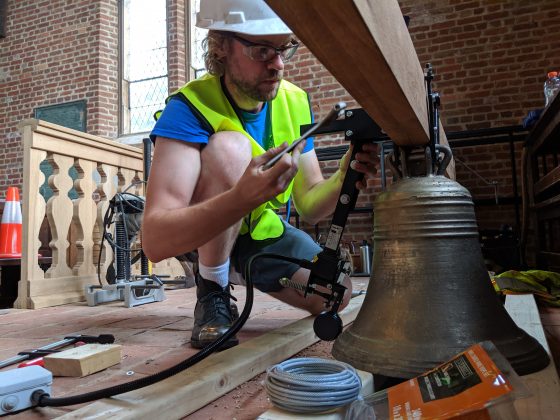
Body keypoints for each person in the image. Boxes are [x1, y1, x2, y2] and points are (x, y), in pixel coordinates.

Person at [142, 0, 378, 350]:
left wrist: (344, 174)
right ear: (221, 45)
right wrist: (241, 198)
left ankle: (246, 263)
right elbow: (156, 241)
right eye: (262, 50)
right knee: (230, 148)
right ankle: (213, 288)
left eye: (284, 48)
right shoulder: (189, 107)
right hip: (201, 231)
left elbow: (310, 205)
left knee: (334, 295)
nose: (278, 64)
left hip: (260, 232)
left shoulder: (294, 101)